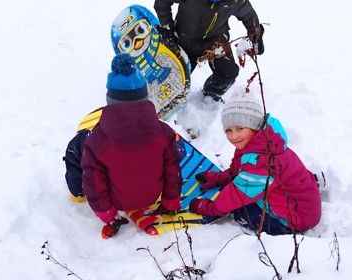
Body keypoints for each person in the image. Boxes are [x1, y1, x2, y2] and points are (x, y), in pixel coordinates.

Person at [188, 93, 323, 235]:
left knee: (242, 212)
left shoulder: (262, 160)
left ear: (254, 127)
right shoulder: (263, 143)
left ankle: (283, 229)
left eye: (240, 129)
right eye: (229, 130)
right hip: (299, 202)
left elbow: (237, 195)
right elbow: (238, 169)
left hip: (298, 217)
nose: (234, 137)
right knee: (247, 189)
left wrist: (210, 208)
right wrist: (219, 178)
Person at [81, 53, 183, 239]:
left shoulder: (97, 141)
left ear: (110, 100)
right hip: (152, 196)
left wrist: (108, 215)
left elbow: (93, 182)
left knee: (79, 146)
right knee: (174, 150)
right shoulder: (163, 132)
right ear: (144, 96)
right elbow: (172, 169)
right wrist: (170, 202)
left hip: (118, 201)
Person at [153, 0, 265, 101]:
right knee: (174, 79)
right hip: (183, 39)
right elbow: (162, 3)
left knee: (228, 74)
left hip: (215, 41)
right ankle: (166, 105)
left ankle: (209, 98)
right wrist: (166, 28)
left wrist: (256, 35)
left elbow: (248, 14)